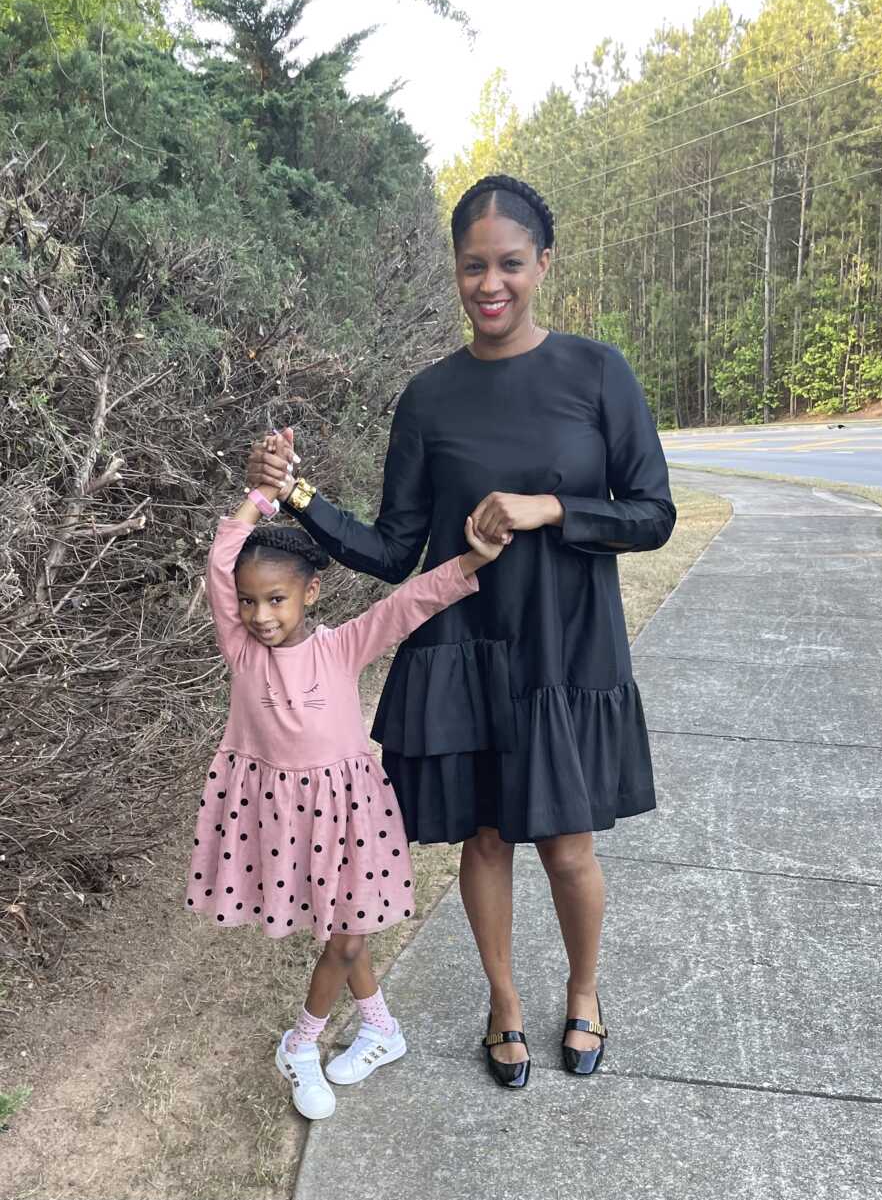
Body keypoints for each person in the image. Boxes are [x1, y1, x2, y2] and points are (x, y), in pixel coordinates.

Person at [249, 173, 676, 1088]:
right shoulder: (430, 397)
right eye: (474, 265)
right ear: (456, 268)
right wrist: (299, 496)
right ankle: (505, 1002)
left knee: (568, 843)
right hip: (466, 642)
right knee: (485, 837)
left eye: (510, 264)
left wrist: (549, 507)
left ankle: (585, 991)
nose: (492, 283)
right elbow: (396, 548)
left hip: (568, 640)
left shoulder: (599, 373)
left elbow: (651, 514)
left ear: (542, 265)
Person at [184, 446, 505, 1119]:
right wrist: (258, 496)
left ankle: (300, 1042)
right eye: (248, 602)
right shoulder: (241, 651)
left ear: (310, 592)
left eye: (275, 599)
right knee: (342, 930)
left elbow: (412, 600)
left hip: (349, 813)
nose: (261, 615)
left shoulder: (341, 645)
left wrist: (473, 560)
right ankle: (381, 1028)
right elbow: (220, 562)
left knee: (348, 935)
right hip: (278, 818)